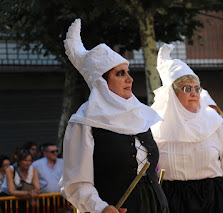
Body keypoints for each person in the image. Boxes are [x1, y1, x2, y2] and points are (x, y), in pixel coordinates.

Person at [59, 19, 169, 213]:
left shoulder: (140, 116)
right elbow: (75, 183)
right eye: (120, 74)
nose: (130, 79)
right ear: (102, 82)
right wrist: (101, 208)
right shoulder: (84, 122)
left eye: (128, 72)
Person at [151, 43, 223, 213]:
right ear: (172, 94)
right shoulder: (156, 126)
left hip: (213, 199)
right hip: (173, 201)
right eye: (187, 88)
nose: (194, 93)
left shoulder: (214, 122)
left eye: (197, 88)